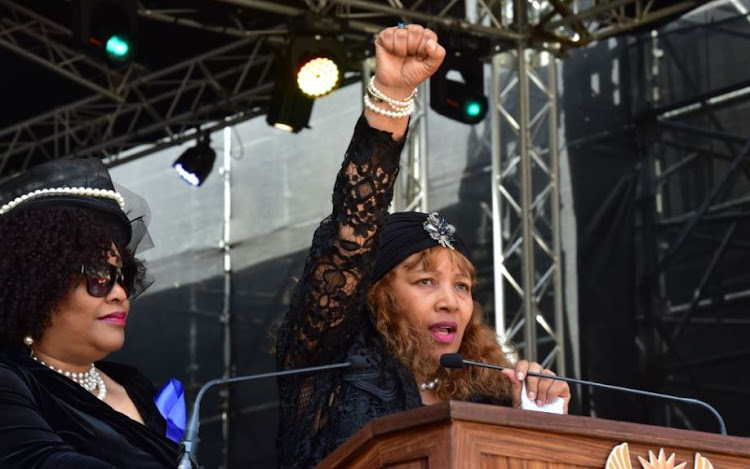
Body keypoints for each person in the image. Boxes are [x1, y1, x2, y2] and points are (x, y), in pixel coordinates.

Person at [275, 24, 571, 467]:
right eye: (427, 281)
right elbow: (351, 238)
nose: (451, 302)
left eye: (463, 287)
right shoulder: (331, 365)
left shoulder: (488, 398)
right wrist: (391, 94)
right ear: (377, 294)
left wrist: (538, 421)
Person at [0, 159, 180, 468]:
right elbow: (44, 461)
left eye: (122, 277)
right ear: (40, 283)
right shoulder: (9, 383)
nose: (120, 293)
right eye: (99, 277)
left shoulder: (137, 388)